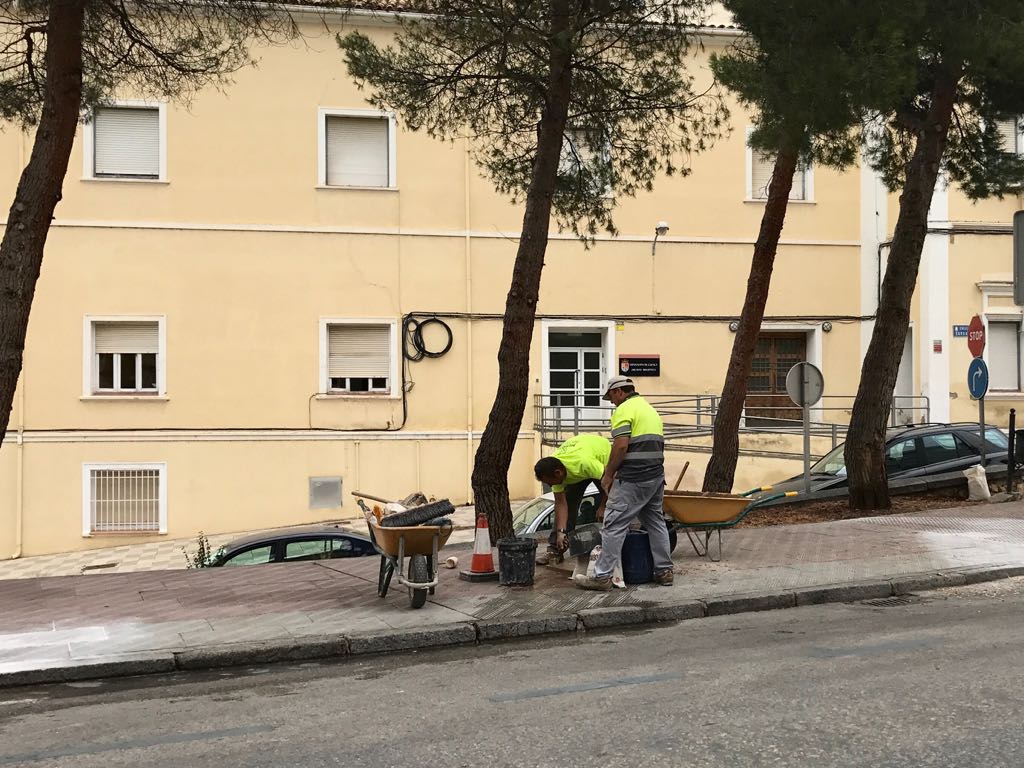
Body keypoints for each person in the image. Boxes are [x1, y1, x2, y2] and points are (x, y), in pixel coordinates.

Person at [577, 375, 674, 590]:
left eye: (611, 397)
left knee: (613, 525)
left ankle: (602, 577)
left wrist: (609, 474)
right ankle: (664, 571)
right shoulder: (650, 410)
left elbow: (621, 446)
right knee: (656, 523)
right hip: (656, 477)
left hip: (633, 478)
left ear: (618, 391)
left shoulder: (624, 410)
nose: (612, 402)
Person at [533, 433, 611, 565]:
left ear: (558, 473)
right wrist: (561, 532)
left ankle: (612, 549)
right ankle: (555, 549)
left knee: (612, 505)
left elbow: (610, 483)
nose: (551, 486)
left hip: (603, 463)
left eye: (550, 482)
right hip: (577, 466)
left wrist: (603, 506)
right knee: (569, 502)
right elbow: (561, 503)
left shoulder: (583, 463)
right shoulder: (553, 469)